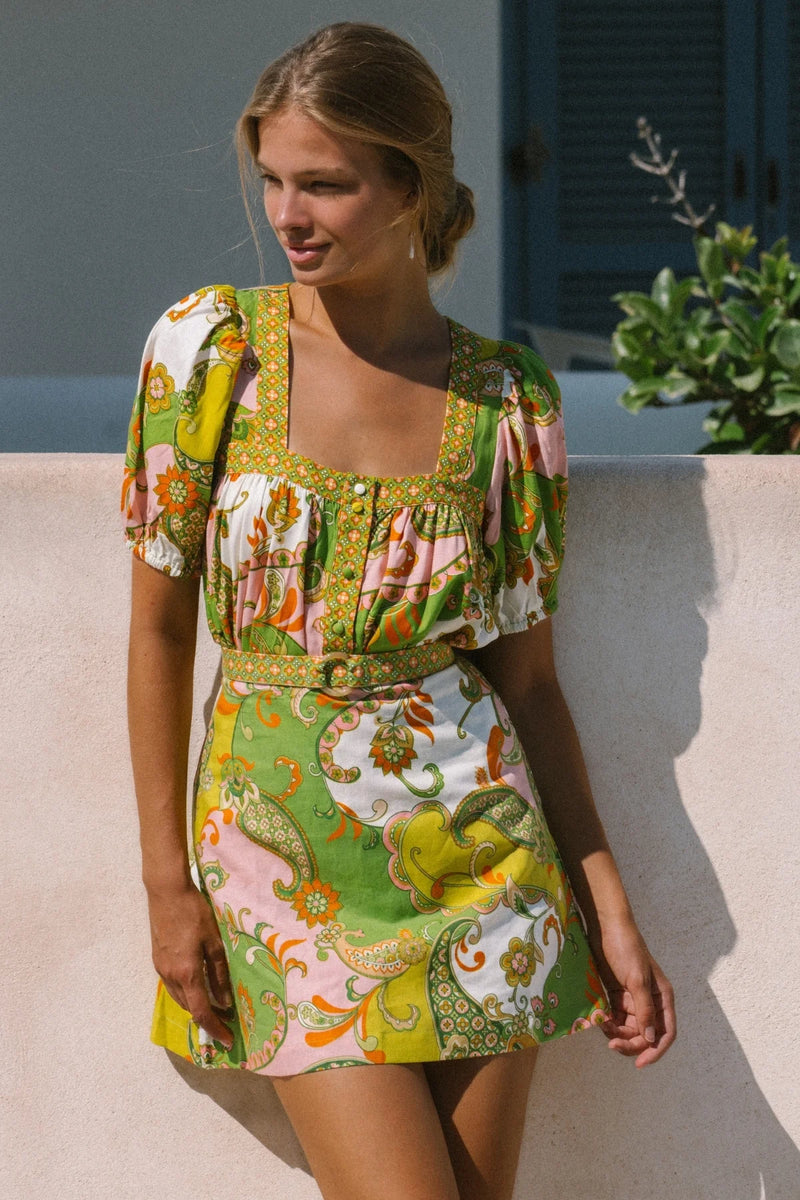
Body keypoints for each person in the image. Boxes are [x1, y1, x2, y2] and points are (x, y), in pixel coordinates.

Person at [123, 21, 675, 1200]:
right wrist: (167, 884)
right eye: (273, 179)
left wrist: (605, 908)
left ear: (409, 186)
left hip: (482, 874)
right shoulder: (212, 353)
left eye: (323, 183)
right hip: (280, 869)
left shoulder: (505, 403)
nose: (287, 215)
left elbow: (526, 680)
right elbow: (161, 630)